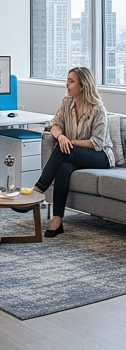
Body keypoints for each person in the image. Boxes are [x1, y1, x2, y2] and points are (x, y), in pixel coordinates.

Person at [32, 66, 112, 238]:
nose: (66, 85)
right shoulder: (67, 102)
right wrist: (61, 137)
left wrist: (70, 142)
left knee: (64, 151)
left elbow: (97, 143)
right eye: (67, 80)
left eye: (71, 81)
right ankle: (57, 220)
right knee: (64, 168)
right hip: (75, 153)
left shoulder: (98, 109)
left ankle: (37, 190)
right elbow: (53, 124)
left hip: (100, 157)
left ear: (82, 85)